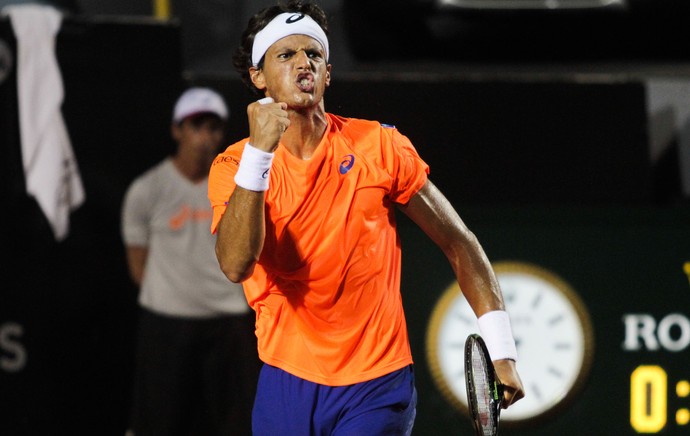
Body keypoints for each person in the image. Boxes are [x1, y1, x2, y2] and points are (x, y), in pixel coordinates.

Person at [208, 1, 525, 434]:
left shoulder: (380, 146)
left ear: (328, 73)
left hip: (377, 382)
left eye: (314, 54)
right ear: (257, 76)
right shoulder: (234, 167)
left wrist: (502, 350)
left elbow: (459, 242)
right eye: (286, 55)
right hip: (286, 378)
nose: (304, 64)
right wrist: (260, 155)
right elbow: (234, 264)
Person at [121, 87, 260, 436]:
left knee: (237, 423)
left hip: (229, 327)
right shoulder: (146, 190)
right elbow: (138, 267)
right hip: (167, 328)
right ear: (176, 130)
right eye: (195, 125)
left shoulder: (237, 187)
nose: (204, 136)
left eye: (213, 127)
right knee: (161, 422)